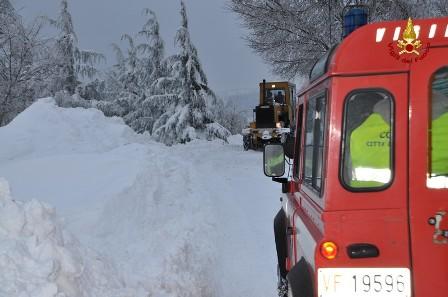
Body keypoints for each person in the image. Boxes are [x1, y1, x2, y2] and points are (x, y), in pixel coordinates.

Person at [348, 99, 391, 188]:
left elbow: (347, 167)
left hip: (360, 193)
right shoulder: (409, 129)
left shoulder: (356, 133)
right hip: (400, 192)